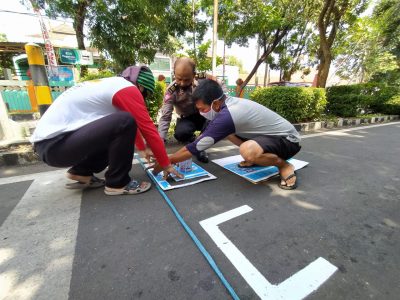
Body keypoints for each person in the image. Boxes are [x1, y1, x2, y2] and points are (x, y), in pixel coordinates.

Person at [31, 66, 182, 196]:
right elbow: (147, 129)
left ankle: (81, 171)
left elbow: (126, 128)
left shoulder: (113, 85)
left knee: (121, 123)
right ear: (141, 87)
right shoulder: (128, 89)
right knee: (124, 120)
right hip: (56, 145)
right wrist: (165, 163)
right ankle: (118, 183)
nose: (143, 99)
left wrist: (143, 149)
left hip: (52, 146)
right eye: (145, 95)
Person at [153, 79, 302, 190]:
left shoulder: (228, 115)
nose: (201, 113)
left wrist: (168, 160)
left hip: (289, 140)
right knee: (229, 134)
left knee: (248, 151)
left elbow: (196, 147)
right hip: (267, 137)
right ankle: (259, 157)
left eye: (203, 109)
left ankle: (284, 165)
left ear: (215, 104)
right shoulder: (227, 105)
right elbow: (203, 137)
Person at [158, 57, 227, 163]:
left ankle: (201, 145)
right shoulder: (171, 91)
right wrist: (160, 141)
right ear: (174, 74)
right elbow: (165, 116)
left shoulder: (203, 78)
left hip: (205, 115)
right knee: (180, 134)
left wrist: (222, 100)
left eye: (186, 79)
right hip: (187, 118)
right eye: (178, 78)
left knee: (214, 119)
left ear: (194, 74)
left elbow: (220, 84)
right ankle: (194, 139)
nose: (182, 83)